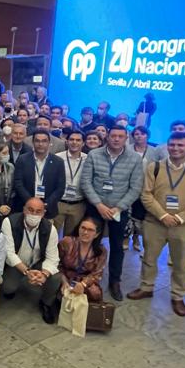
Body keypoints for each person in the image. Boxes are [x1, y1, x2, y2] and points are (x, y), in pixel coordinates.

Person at [128, 132, 185, 316]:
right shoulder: (154, 167)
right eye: (172, 145)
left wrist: (181, 217)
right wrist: (162, 215)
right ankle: (146, 287)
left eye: (180, 145)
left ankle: (177, 296)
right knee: (149, 258)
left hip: (184, 226)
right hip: (155, 222)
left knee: (180, 263)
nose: (175, 148)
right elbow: (146, 195)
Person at [80, 125, 143, 302]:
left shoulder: (134, 159)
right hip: (96, 207)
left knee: (117, 246)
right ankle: (86, 276)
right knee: (91, 244)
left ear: (126, 138)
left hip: (118, 210)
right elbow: (86, 182)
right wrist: (99, 204)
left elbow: (135, 187)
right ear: (107, 137)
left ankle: (115, 281)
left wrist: (119, 207)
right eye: (113, 136)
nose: (116, 139)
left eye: (120, 136)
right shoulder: (94, 155)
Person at [0, 197, 62, 323]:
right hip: (17, 263)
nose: (33, 214)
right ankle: (14, 285)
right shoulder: (9, 222)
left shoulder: (51, 229)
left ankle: (46, 303)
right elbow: (9, 253)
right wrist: (27, 271)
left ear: (43, 213)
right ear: (24, 210)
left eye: (38, 211)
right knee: (8, 288)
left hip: (38, 263)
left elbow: (53, 258)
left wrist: (44, 274)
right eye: (30, 210)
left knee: (56, 277)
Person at [12, 130, 65, 221]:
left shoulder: (58, 161)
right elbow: (18, 183)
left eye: (44, 141)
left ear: (49, 143)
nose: (40, 144)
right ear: (33, 142)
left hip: (48, 208)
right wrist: (31, 202)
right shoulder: (22, 159)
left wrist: (46, 204)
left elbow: (60, 187)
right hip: (25, 206)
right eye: (37, 141)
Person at [57, 217, 108, 303]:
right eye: (83, 228)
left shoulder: (101, 250)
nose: (85, 232)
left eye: (90, 230)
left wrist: (82, 284)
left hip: (85, 280)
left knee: (95, 293)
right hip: (65, 276)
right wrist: (64, 282)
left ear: (96, 234)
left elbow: (97, 273)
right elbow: (56, 264)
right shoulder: (67, 242)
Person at [54, 130, 87, 238]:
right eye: (71, 139)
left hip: (78, 204)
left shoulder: (88, 159)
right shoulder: (57, 157)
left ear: (83, 143)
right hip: (59, 202)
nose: (74, 142)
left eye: (78, 140)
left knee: (71, 238)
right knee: (52, 234)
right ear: (67, 142)